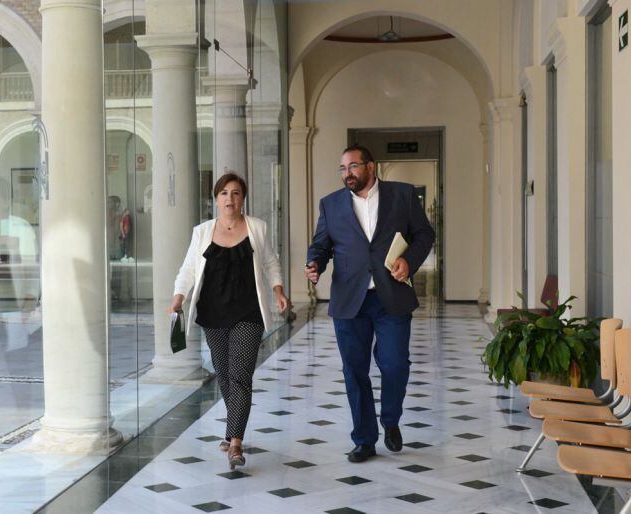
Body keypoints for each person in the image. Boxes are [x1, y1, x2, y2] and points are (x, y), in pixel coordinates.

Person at [305, 144, 435, 463]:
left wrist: (409, 261)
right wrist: (315, 264)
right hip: (350, 300)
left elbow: (424, 235)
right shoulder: (331, 204)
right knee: (355, 371)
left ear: (370, 167)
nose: (347, 173)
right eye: (343, 168)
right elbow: (322, 245)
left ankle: (390, 421)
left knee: (394, 364)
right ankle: (364, 439)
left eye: (352, 166)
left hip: (391, 295)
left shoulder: (402, 195)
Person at [170, 172, 289, 469]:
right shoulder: (202, 232)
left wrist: (278, 290)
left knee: (240, 376)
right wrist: (178, 297)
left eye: (235, 193)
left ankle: (236, 441)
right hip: (213, 312)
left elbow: (270, 261)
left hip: (248, 311)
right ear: (216, 198)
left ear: (242, 198)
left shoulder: (257, 228)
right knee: (223, 374)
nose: (230, 199)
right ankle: (231, 430)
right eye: (224, 193)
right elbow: (188, 269)